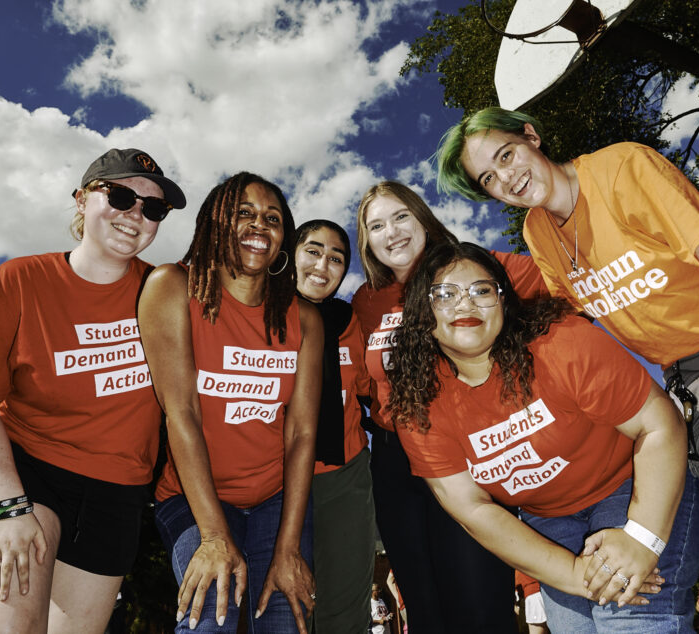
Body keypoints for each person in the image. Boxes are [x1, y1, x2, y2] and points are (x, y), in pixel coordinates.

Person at [436, 106, 699, 631]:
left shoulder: (622, 168)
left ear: (531, 136)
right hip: (695, 380)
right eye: (489, 179)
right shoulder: (540, 234)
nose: (507, 179)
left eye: (506, 155)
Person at [0, 147, 185, 633]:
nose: (137, 213)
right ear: (82, 200)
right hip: (22, 471)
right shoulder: (18, 280)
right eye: (123, 194)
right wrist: (7, 505)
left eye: (153, 208)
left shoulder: (167, 293)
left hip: (117, 493)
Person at [389, 241, 699, 632]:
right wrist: (573, 574)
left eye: (482, 290)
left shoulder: (561, 343)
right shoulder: (417, 406)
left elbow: (658, 424)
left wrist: (643, 538)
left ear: (504, 302)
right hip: (547, 519)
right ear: (423, 313)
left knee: (630, 617)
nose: (465, 305)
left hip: (633, 485)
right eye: (445, 294)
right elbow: (473, 509)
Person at [351, 181, 546, 634]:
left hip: (467, 451)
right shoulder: (365, 301)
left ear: (423, 218)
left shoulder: (470, 267)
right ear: (368, 241)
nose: (392, 232)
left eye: (401, 216)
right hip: (395, 460)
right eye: (376, 225)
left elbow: (559, 279)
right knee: (424, 608)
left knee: (479, 600)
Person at [139, 173, 321, 634]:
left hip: (275, 501)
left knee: (287, 623)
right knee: (211, 619)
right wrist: (215, 536)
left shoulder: (306, 319)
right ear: (214, 222)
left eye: (272, 218)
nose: (259, 225)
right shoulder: (172, 286)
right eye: (243, 213)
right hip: (191, 497)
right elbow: (180, 412)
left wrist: (289, 547)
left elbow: (301, 435)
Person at [293, 219, 376, 633]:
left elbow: (372, 390)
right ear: (290, 255)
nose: (323, 265)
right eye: (313, 251)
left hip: (345, 476)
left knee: (345, 607)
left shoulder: (350, 322)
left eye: (336, 258)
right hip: (275, 479)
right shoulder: (259, 315)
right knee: (284, 605)